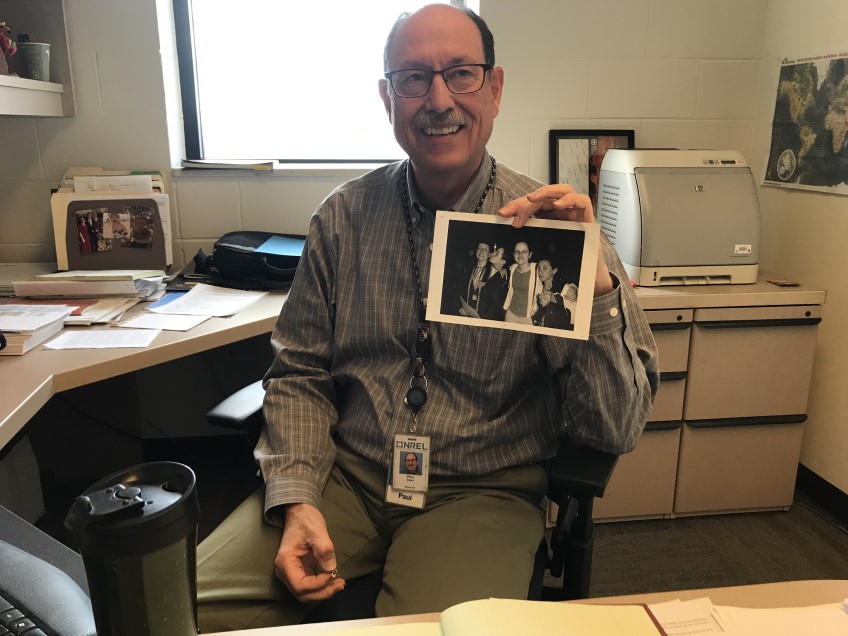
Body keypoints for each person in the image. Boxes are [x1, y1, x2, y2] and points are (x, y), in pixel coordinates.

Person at [196, 5, 658, 631]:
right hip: (348, 479)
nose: (437, 98)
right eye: (413, 78)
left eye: (460, 74)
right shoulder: (343, 218)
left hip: (481, 490)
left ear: (494, 90)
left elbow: (614, 429)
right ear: (388, 98)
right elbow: (299, 372)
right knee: (176, 606)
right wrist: (298, 499)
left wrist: (593, 284)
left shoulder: (557, 232)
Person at [457, 241, 507, 320]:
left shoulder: (494, 275)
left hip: (484, 317)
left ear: (489, 254)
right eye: (479, 248)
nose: (482, 251)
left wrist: (484, 318)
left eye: (485, 249)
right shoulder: (468, 270)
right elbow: (460, 292)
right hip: (465, 315)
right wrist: (460, 307)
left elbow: (494, 304)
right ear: (476, 252)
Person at [503, 241, 540, 324]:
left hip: (528, 318)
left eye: (524, 251)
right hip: (510, 315)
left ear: (530, 254)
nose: (520, 254)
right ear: (513, 255)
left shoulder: (536, 270)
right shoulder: (512, 269)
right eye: (517, 252)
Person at [532, 258, 571, 329]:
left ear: (554, 270)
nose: (540, 272)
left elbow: (569, 320)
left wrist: (550, 305)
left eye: (545, 268)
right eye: (539, 268)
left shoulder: (564, 290)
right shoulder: (537, 289)